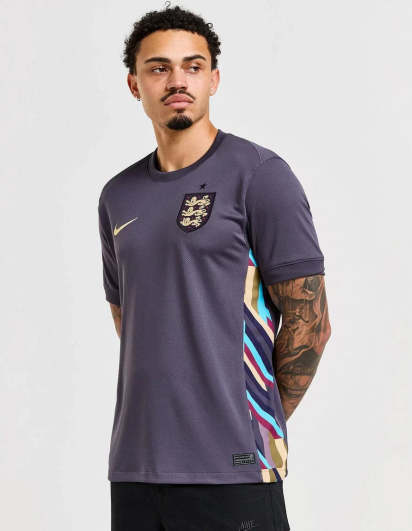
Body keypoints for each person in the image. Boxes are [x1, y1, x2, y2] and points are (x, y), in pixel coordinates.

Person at [97, 3, 332, 530]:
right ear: (135, 84)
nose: (177, 80)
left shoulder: (260, 175)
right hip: (135, 468)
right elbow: (129, 318)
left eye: (193, 66)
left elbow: (311, 323)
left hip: (235, 469)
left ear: (214, 79)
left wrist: (250, 420)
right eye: (159, 67)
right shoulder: (118, 196)